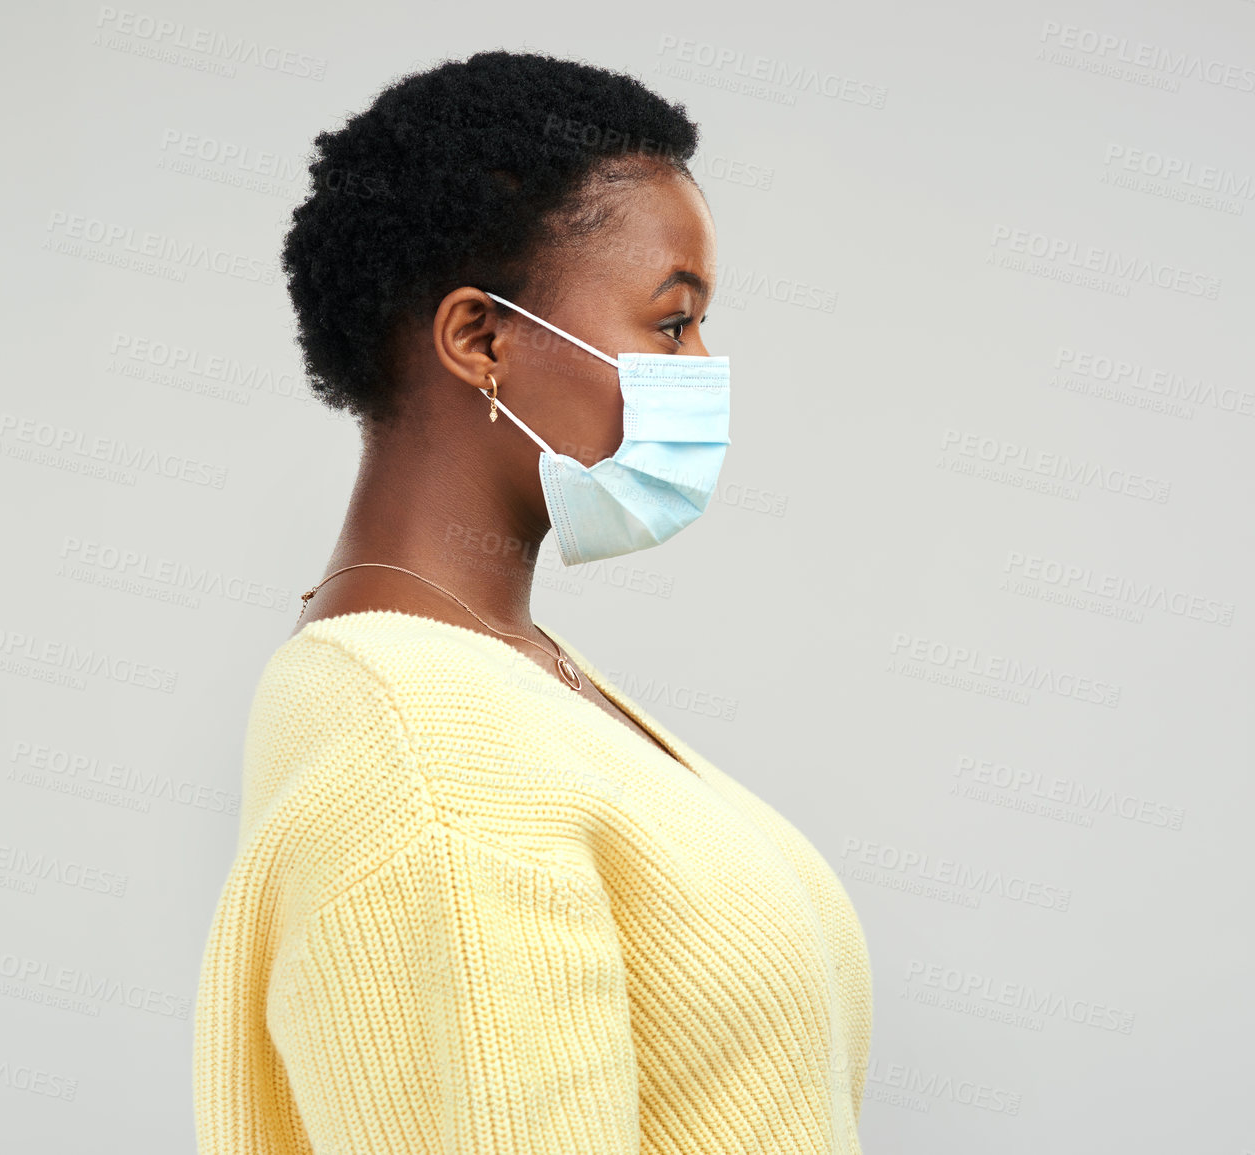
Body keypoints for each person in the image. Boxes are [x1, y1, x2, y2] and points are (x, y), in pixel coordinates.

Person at [194, 49, 873, 1155]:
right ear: (480, 340)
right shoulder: (425, 752)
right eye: (669, 323)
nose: (702, 366)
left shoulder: (498, 673)